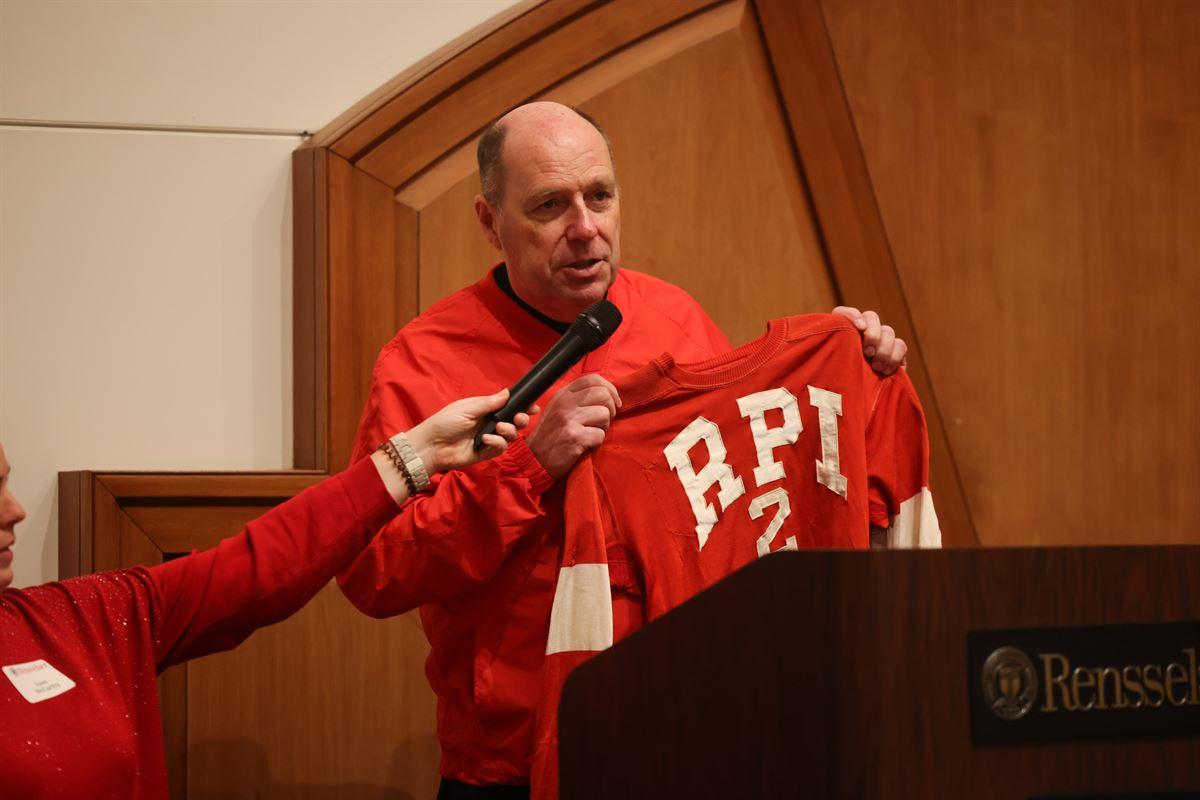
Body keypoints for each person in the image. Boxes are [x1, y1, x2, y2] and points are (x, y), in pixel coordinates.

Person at [337, 101, 910, 798]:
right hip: (507, 766)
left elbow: (744, 513)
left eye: (599, 197)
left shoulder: (678, 320)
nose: (585, 230)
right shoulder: (422, 362)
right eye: (550, 206)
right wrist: (527, 470)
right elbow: (373, 573)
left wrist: (856, 374)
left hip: (680, 744)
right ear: (491, 223)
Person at [0, 389, 531, 799]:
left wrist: (422, 452)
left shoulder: (75, 618)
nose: (15, 510)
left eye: (5, 482)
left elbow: (258, 568)